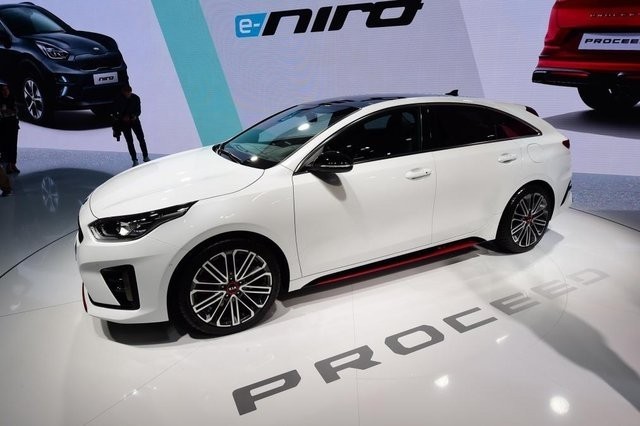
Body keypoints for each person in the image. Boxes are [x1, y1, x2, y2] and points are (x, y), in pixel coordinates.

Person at [114, 84, 150, 167]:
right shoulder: (118, 99)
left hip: (135, 121)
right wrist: (122, 118)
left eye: (129, 93)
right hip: (124, 123)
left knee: (141, 138)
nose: (128, 94)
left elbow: (138, 110)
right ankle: (134, 160)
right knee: (130, 141)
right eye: (126, 93)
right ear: (123, 92)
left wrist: (134, 116)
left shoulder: (136, 98)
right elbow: (115, 112)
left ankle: (145, 156)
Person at [0, 82, 20, 174]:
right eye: (3, 90)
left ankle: (13, 164)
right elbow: (3, 112)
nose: (5, 91)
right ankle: (8, 165)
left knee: (13, 145)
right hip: (4, 125)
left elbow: (15, 111)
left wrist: (8, 111)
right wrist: (9, 112)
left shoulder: (12, 99)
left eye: (7, 89)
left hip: (13, 125)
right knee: (6, 145)